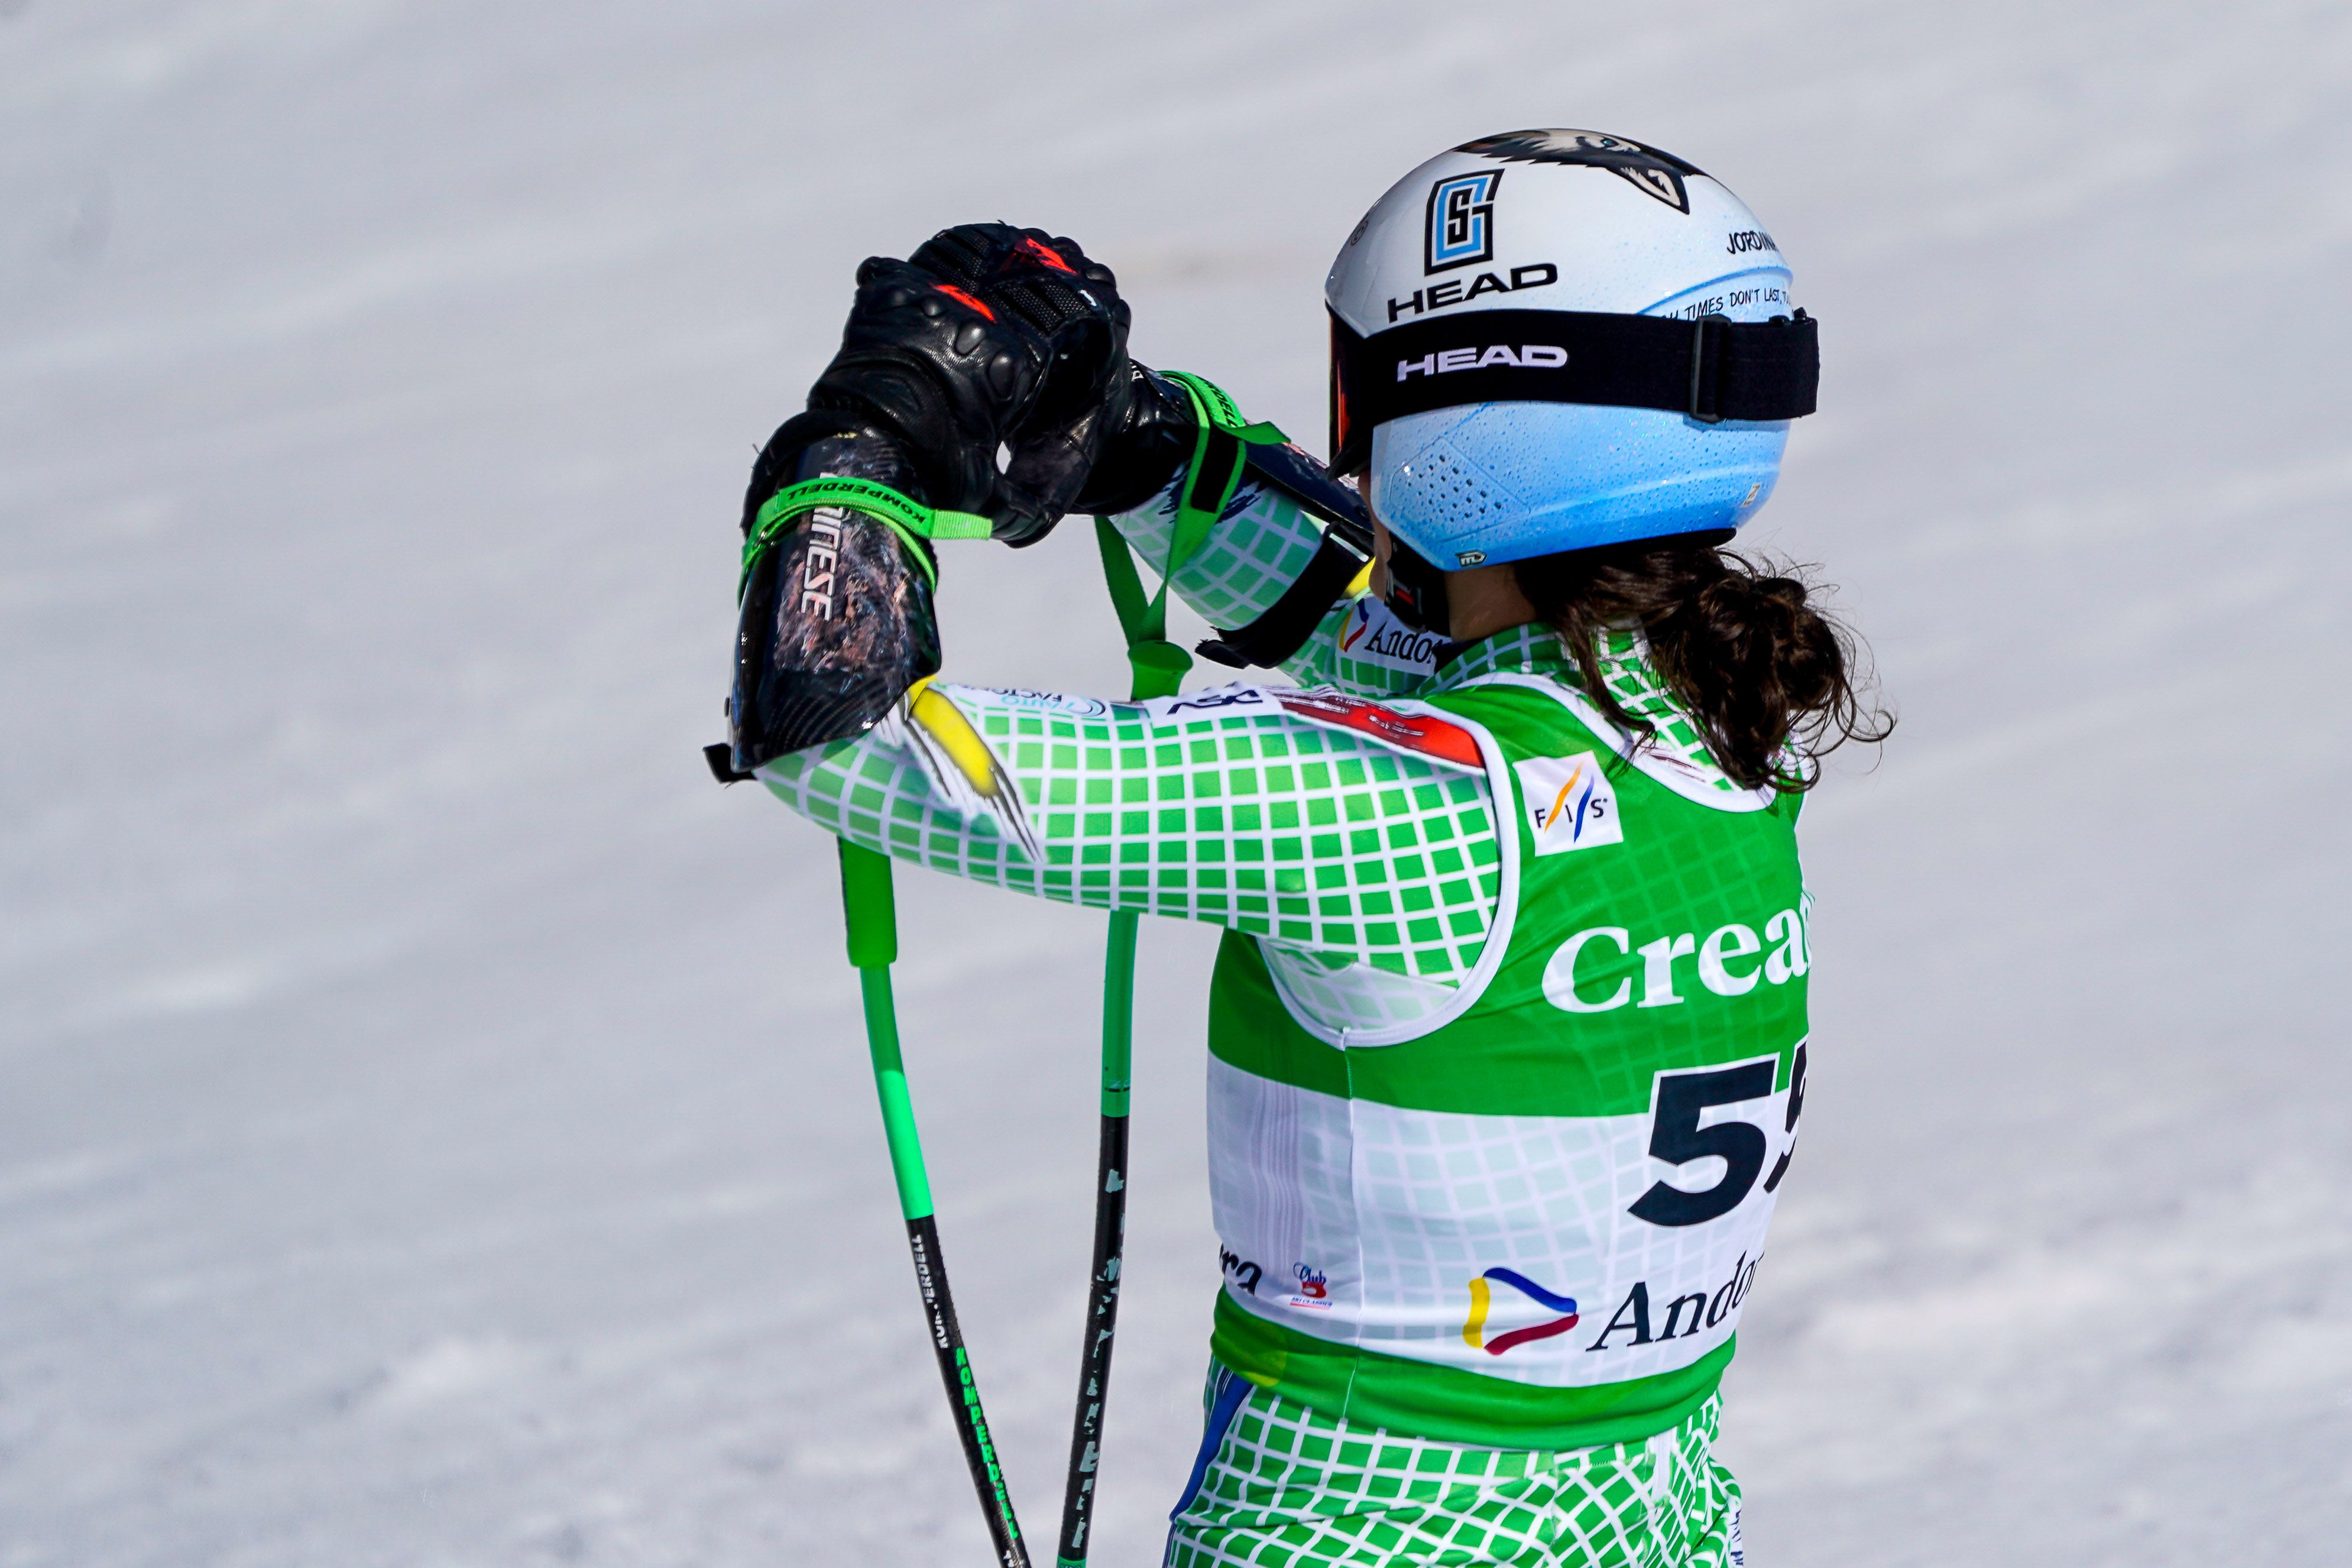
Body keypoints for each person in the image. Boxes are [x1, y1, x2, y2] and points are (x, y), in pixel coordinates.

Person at [723, 129, 1887, 1568]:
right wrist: (1145, 448)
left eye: (1367, 395)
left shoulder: (1400, 809)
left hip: (1363, 1523)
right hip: (1645, 1508)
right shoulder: (1709, 711)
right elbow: (1374, 626)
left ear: (1460, 421)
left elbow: (833, 727)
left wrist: (866, 439)